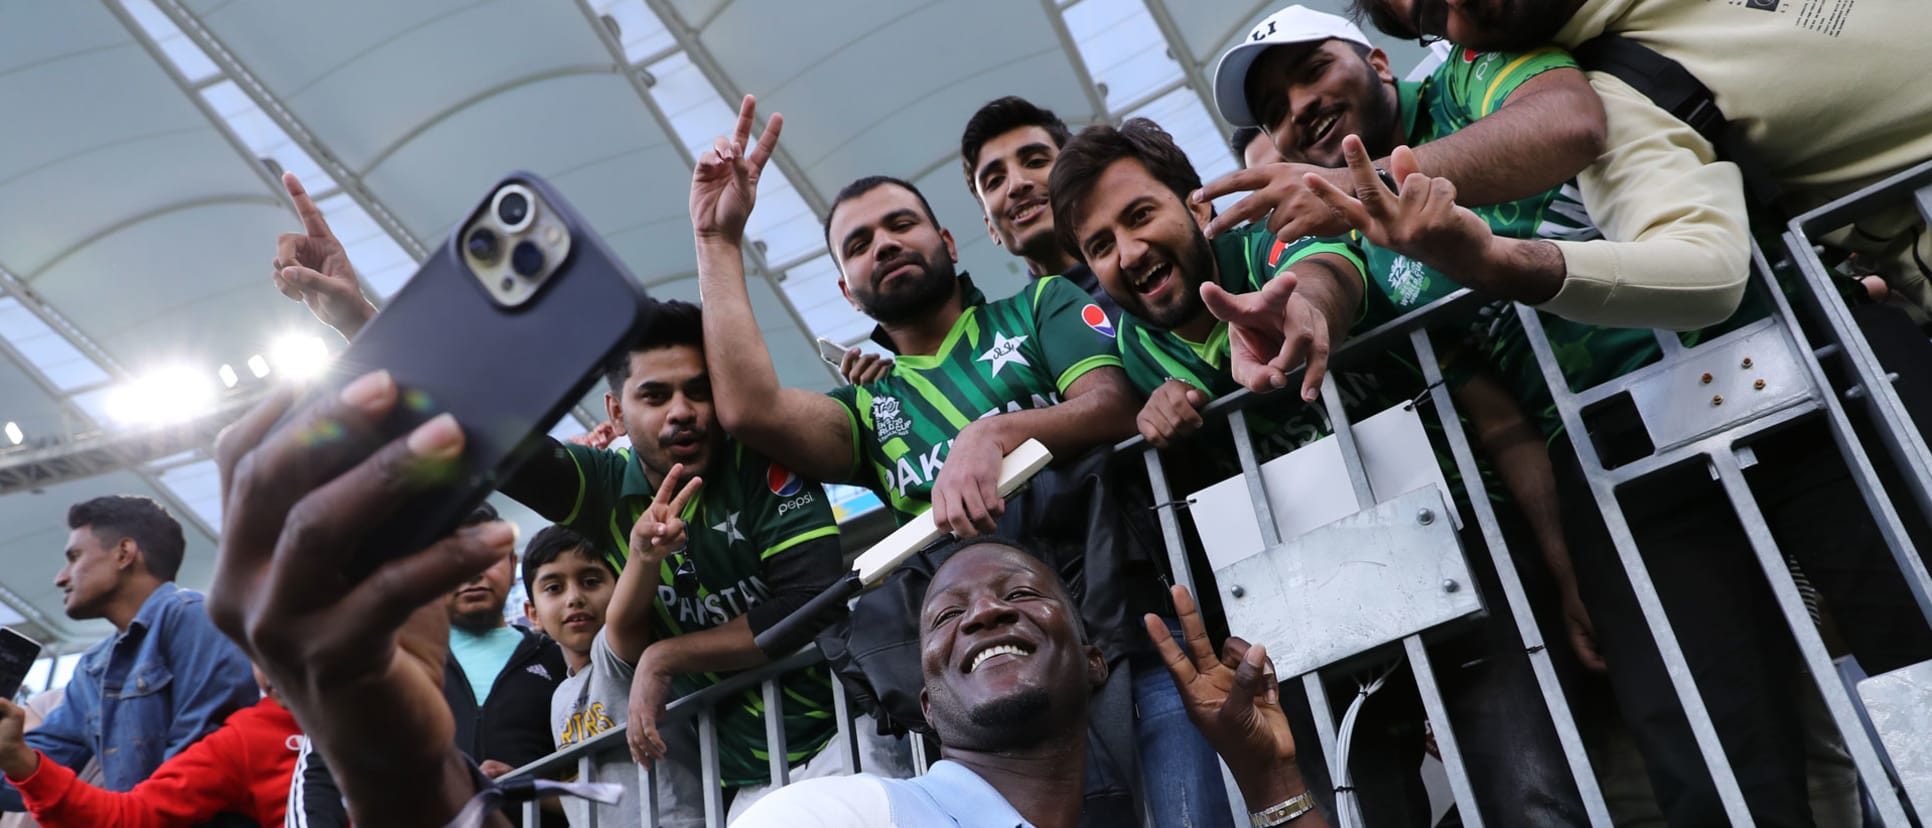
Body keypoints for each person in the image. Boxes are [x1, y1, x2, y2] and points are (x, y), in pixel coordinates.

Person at [272, 173, 851, 815]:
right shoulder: (602, 489)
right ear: (616, 408)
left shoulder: (762, 461)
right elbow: (476, 423)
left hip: (847, 742)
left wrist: (667, 656)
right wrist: (358, 319)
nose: (681, 412)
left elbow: (814, 601)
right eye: (655, 396)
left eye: (698, 391)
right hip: (742, 785)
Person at [735, 538, 1330, 828]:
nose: (984, 614)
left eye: (1020, 594)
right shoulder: (839, 814)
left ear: (1095, 664)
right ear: (929, 708)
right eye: (947, 615)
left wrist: (1266, 775)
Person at [288, 502, 567, 828]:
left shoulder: (558, 657)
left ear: (512, 561)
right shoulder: (384, 666)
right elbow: (319, 770)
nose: (473, 572)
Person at [0, 497, 257, 814]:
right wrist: (10, 752)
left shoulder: (192, 618)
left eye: (75, 557)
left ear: (124, 553)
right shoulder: (93, 668)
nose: (60, 578)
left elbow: (199, 772)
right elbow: (18, 785)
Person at [0, 665, 299, 828]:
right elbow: (129, 817)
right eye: (256, 648)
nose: (268, 665)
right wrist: (20, 761)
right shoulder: (248, 735)